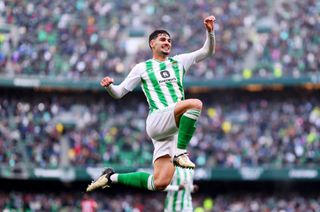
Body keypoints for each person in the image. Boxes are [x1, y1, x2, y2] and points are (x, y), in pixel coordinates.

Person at [86, 15, 216, 192]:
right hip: (158, 120)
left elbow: (207, 51)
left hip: (171, 130)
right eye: (162, 39)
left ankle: (110, 177)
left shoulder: (179, 62)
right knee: (195, 104)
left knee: (160, 183)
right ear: (152, 44)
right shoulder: (142, 68)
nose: (167, 42)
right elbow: (119, 93)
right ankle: (181, 152)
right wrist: (110, 87)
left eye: (169, 40)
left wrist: (210, 32)